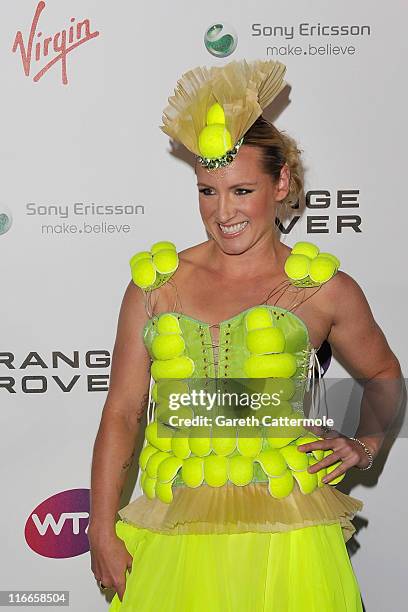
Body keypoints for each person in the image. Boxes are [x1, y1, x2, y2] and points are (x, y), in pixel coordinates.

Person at [88, 60, 402, 611]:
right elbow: (122, 412)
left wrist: (366, 444)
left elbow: (383, 375)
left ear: (280, 183)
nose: (222, 212)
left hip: (288, 534)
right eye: (208, 192)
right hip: (174, 531)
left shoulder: (326, 290)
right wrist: (100, 528)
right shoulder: (155, 285)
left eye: (241, 190)